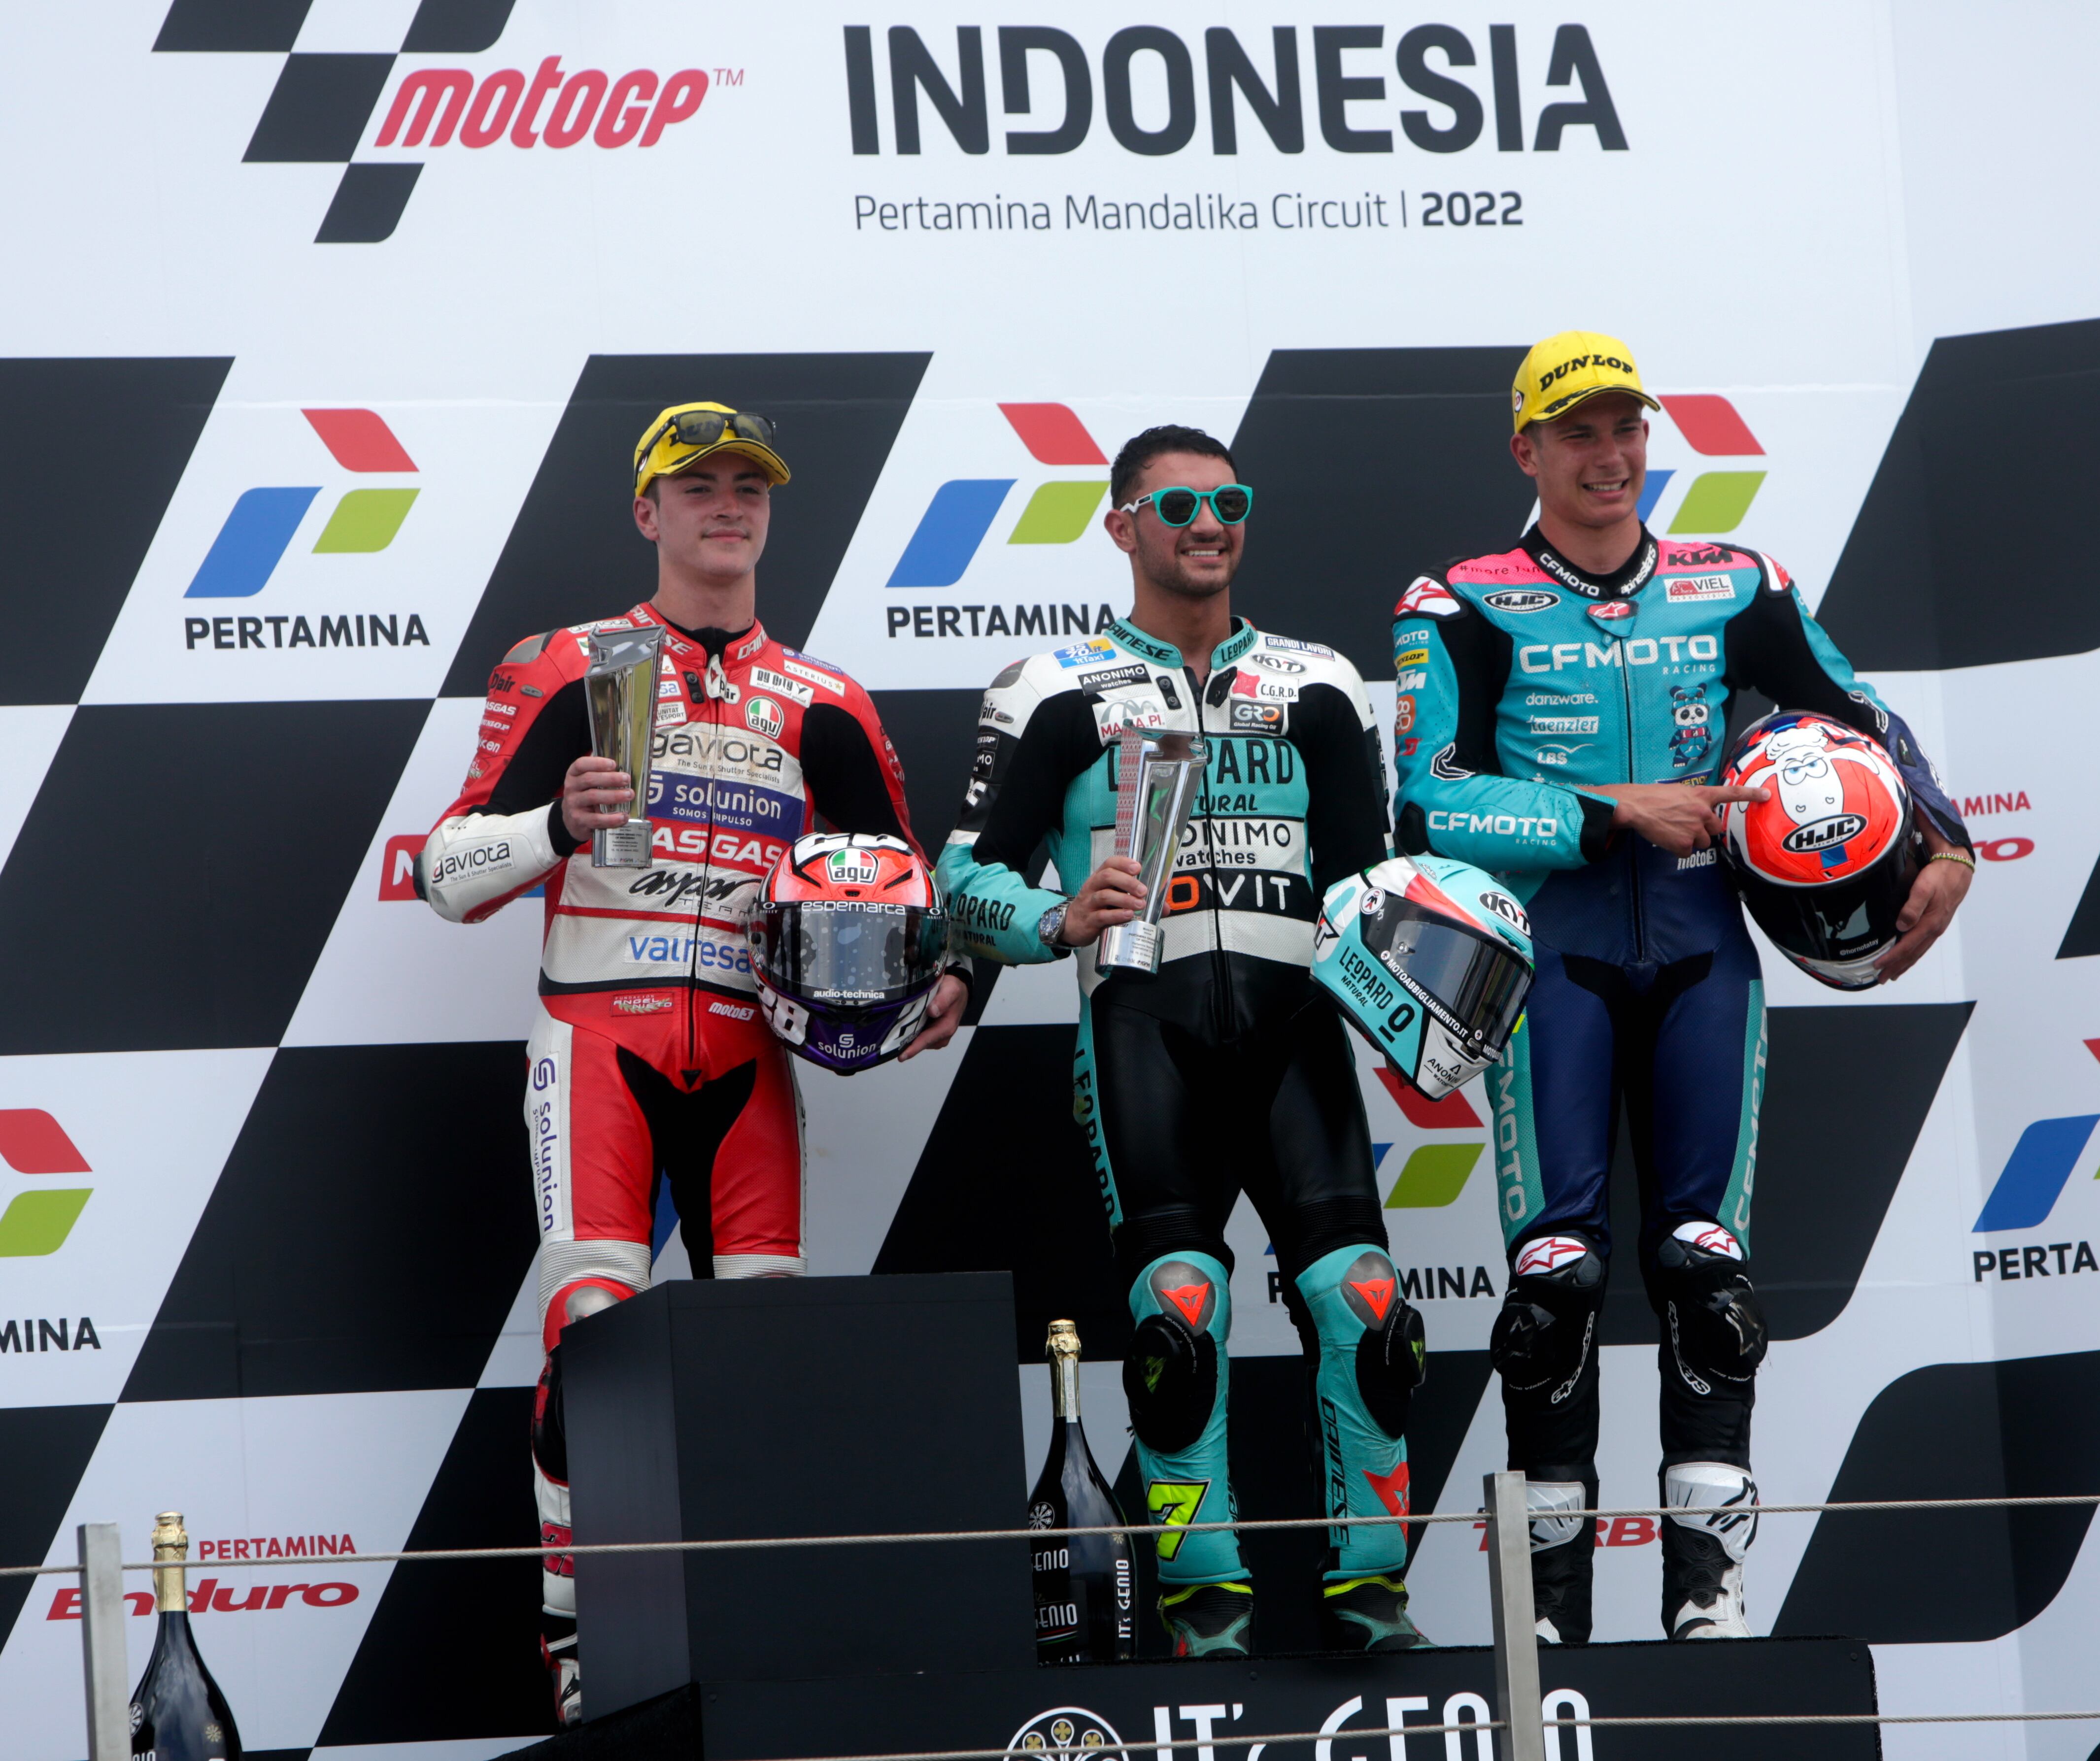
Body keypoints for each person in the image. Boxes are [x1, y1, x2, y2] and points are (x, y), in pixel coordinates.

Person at [1391, 334, 1974, 1643]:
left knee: (1705, 1273)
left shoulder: (1732, 579)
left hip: (1707, 945)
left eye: (1625, 430)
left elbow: (1858, 710)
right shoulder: (1458, 601)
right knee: (1551, 1284)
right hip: (1548, 956)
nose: (1608, 457)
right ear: (1524, 451)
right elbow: (1425, 800)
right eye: (1577, 433)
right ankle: (1547, 1620)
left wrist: (1945, 843)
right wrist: (1611, 811)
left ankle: (1707, 1603)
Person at [419, 402, 968, 1723]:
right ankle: (575, 1649)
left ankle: (751, 1641)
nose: (726, 506)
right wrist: (555, 823)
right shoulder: (569, 664)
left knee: (757, 1355)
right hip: (596, 1036)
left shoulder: (824, 700)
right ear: (644, 511)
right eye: (696, 485)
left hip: (743, 1053)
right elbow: (446, 875)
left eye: (747, 487)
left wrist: (942, 981)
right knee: (589, 1330)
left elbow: (904, 891)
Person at [938, 425, 1430, 1656]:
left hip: (1294, 1026)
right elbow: (961, 880)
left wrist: (1437, 974)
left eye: (1229, 502)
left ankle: (1372, 1598)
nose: (1208, 525)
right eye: (1177, 506)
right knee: (1177, 1307)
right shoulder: (1050, 687)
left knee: (1364, 1302)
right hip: (1140, 1024)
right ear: (1120, 528)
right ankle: (1205, 1614)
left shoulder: (1318, 680)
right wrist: (1056, 916)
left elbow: (1371, 880)